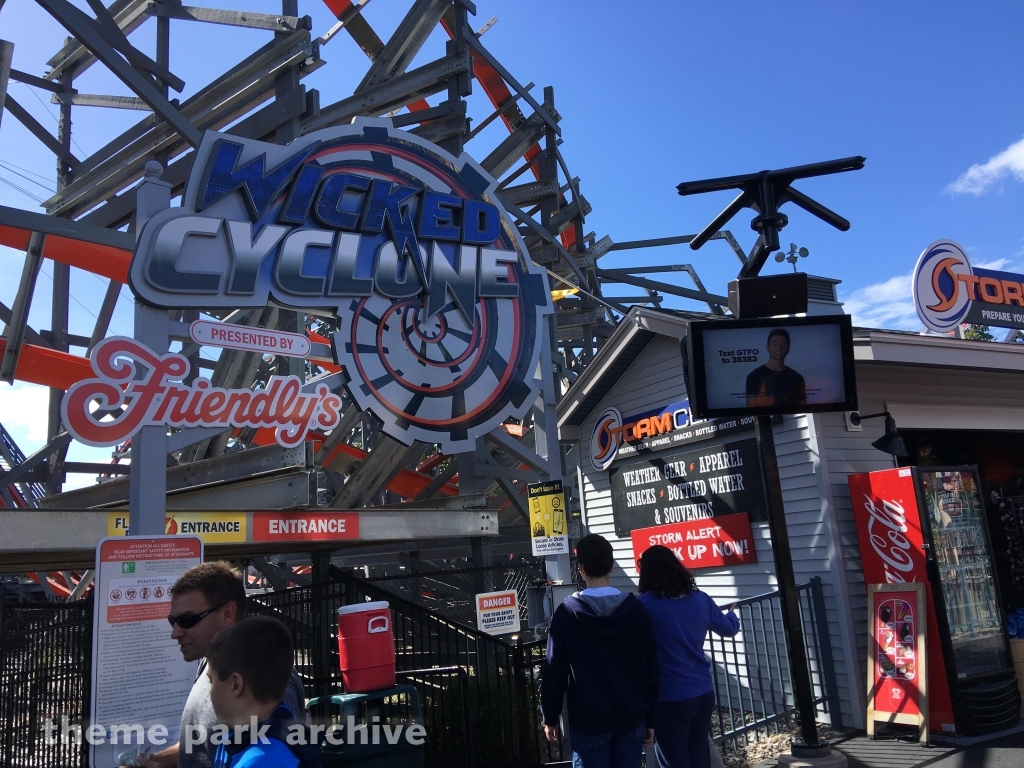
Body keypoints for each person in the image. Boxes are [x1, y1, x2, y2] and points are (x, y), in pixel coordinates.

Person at [124, 562, 306, 768]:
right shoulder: (210, 662)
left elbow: (274, 755)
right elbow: (208, 741)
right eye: (172, 621)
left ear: (227, 613)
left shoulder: (266, 676)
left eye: (187, 619)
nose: (175, 632)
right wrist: (158, 760)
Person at [541, 534, 660, 768]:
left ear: (581, 569)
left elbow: (555, 671)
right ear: (611, 566)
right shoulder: (637, 611)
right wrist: (651, 718)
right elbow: (651, 668)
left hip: (589, 720)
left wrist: (551, 716)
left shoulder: (567, 613)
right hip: (631, 716)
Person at [637, 546, 739, 768]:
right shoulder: (700, 599)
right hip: (702, 692)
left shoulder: (645, 605)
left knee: (675, 761)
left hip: (670, 697)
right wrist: (732, 615)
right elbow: (729, 629)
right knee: (700, 756)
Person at [207, 616, 321, 768]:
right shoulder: (239, 736)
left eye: (211, 681)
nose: (209, 690)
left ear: (235, 685)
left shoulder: (262, 761)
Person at [744, 328, 806, 408]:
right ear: (768, 347)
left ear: (788, 349)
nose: (779, 348)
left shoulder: (797, 378)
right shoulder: (754, 376)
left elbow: (802, 407)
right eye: (775, 344)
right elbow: (751, 407)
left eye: (783, 344)